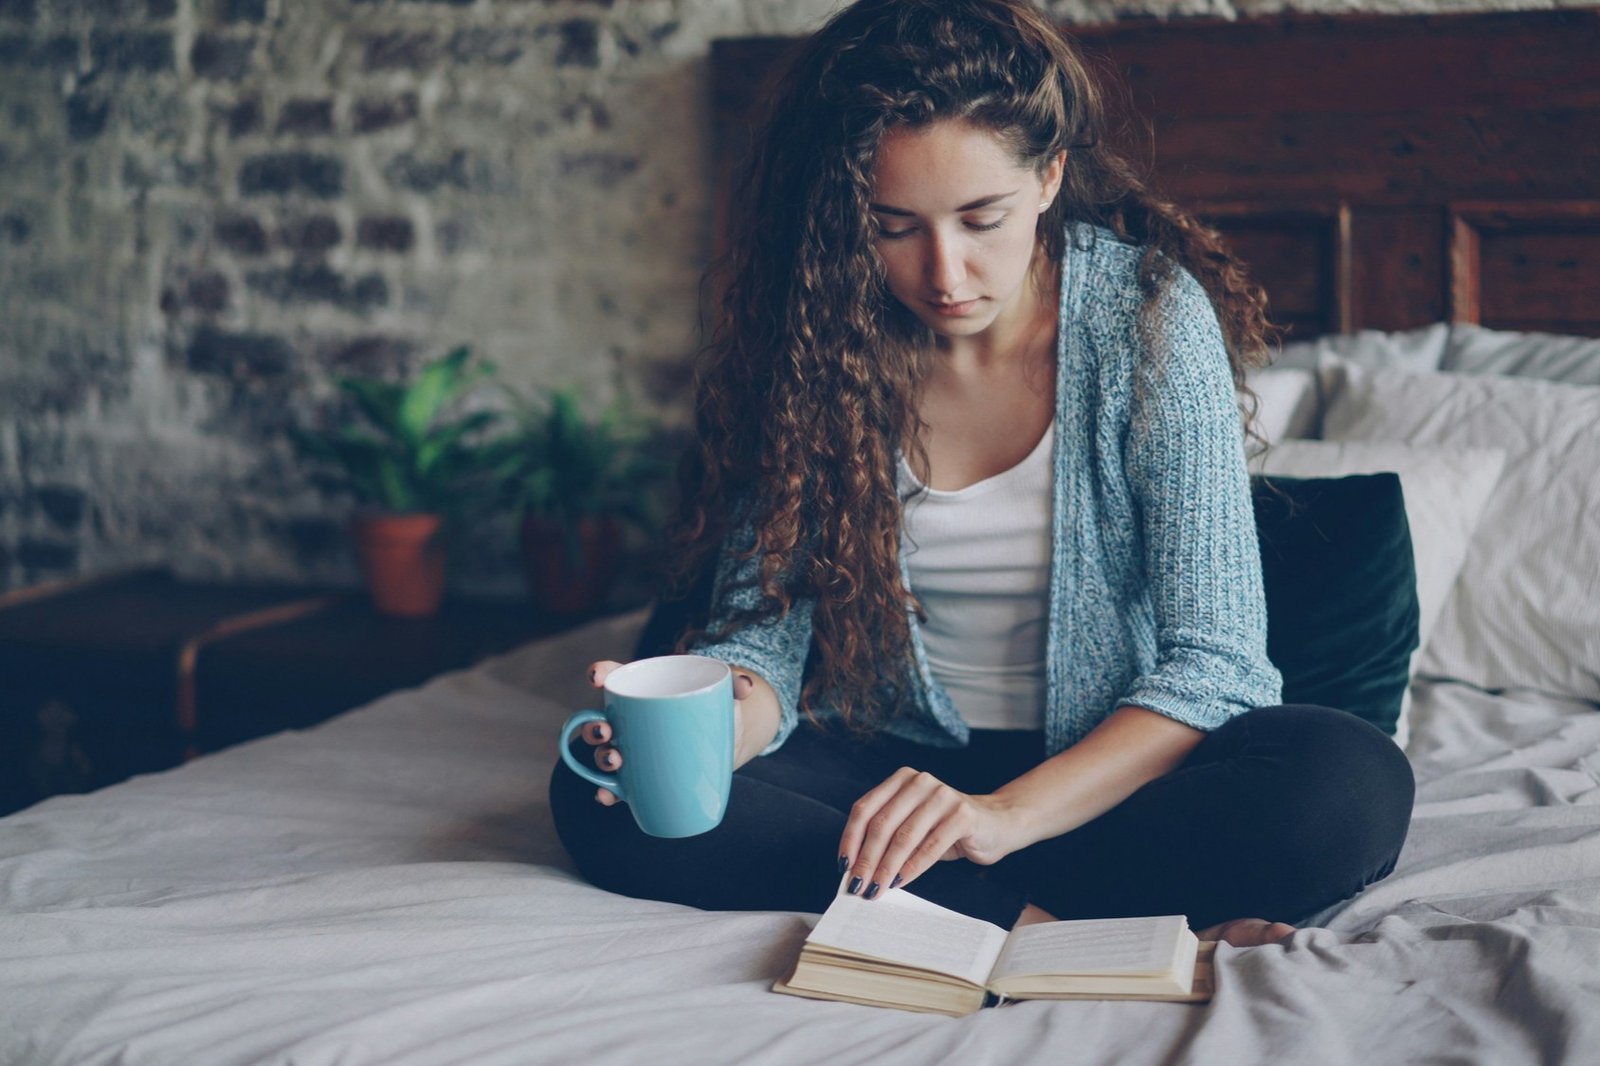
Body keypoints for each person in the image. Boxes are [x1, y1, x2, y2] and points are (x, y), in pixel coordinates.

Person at [550, 0, 1414, 947]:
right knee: (601, 794)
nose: (945, 271)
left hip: (1101, 780)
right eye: (893, 227)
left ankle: (953, 914)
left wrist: (1000, 818)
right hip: (882, 782)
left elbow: (1217, 669)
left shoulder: (1148, 319)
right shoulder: (817, 336)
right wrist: (707, 733)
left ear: (1048, 177)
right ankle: (1045, 936)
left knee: (1347, 785)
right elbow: (765, 643)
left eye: (980, 217)